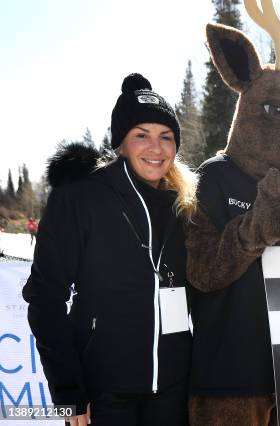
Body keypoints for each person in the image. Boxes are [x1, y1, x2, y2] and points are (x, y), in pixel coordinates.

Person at [22, 73, 198, 426]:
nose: (156, 147)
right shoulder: (81, 198)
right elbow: (45, 299)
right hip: (106, 391)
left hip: (174, 390)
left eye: (166, 137)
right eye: (141, 135)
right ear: (121, 143)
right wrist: (69, 393)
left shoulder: (185, 203)